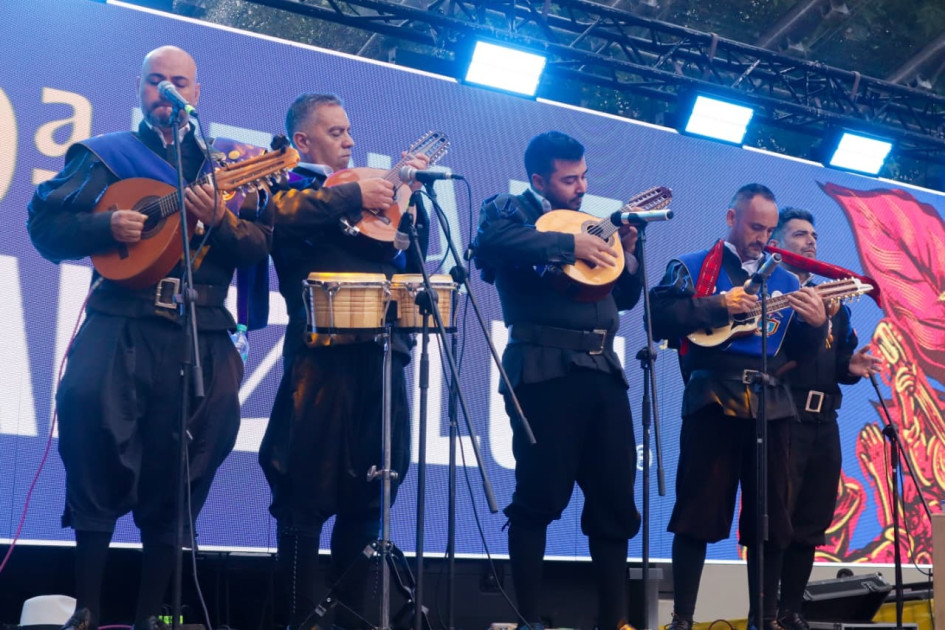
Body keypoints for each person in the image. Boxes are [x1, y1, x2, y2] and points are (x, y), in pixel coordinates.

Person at [27, 46, 274, 630]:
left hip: (201, 334)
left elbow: (261, 247)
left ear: (197, 92)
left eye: (179, 82)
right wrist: (102, 225)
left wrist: (222, 220)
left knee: (182, 472)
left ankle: (152, 618)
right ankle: (85, 611)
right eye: (155, 81)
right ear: (140, 89)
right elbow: (45, 226)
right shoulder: (106, 156)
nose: (167, 91)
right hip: (118, 326)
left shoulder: (225, 166)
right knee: (95, 448)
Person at [259, 93, 430, 630]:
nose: (349, 141)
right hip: (318, 364)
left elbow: (411, 256)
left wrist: (407, 201)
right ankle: (300, 620)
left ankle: (355, 621)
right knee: (303, 496)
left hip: (382, 364)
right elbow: (277, 218)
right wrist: (355, 191)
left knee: (372, 496)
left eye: (350, 131)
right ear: (303, 140)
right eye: (335, 133)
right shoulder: (287, 185)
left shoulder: (371, 202)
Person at [473, 131, 643, 630]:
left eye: (585, 176)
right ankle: (527, 619)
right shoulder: (509, 209)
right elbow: (493, 242)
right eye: (570, 180)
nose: (581, 187)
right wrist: (572, 242)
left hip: (602, 372)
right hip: (543, 372)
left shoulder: (592, 225)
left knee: (614, 499)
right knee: (540, 496)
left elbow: (627, 298)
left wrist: (625, 255)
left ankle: (613, 621)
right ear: (539, 180)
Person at [648, 185, 828, 630]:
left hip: (772, 405)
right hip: (713, 399)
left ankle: (763, 620)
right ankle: (683, 619)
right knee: (697, 513)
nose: (763, 238)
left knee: (770, 522)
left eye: (769, 230)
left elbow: (799, 355)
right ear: (731, 218)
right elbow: (659, 316)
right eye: (755, 227)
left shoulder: (787, 281)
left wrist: (817, 323)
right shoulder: (693, 266)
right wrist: (717, 304)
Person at [767, 207, 882, 630]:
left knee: (812, 522)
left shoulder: (835, 301)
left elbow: (834, 365)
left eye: (813, 234)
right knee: (778, 519)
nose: (811, 241)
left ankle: (791, 611)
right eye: (799, 234)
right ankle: (765, 612)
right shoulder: (771, 295)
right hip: (784, 416)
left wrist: (848, 365)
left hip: (825, 421)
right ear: (776, 243)